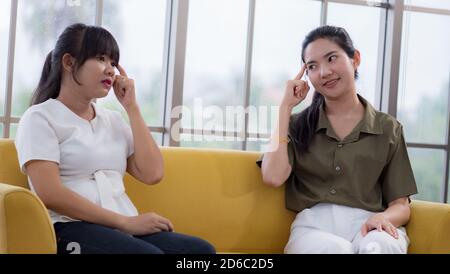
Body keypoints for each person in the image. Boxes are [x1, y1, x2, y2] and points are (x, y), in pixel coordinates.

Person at [15, 23, 215, 254]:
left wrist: (132, 108)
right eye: (100, 58)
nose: (111, 69)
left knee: (201, 251)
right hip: (68, 228)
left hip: (119, 228)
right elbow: (49, 193)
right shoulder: (39, 117)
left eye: (112, 62)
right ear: (69, 62)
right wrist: (125, 222)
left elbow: (153, 174)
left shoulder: (113, 119)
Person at [258, 25, 418, 254]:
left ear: (355, 59)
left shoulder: (388, 128)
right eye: (312, 66)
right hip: (314, 228)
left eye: (331, 58)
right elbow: (273, 177)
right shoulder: (297, 125)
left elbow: (401, 206)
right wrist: (285, 108)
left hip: (371, 224)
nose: (323, 72)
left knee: (380, 246)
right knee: (334, 250)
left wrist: (383, 217)